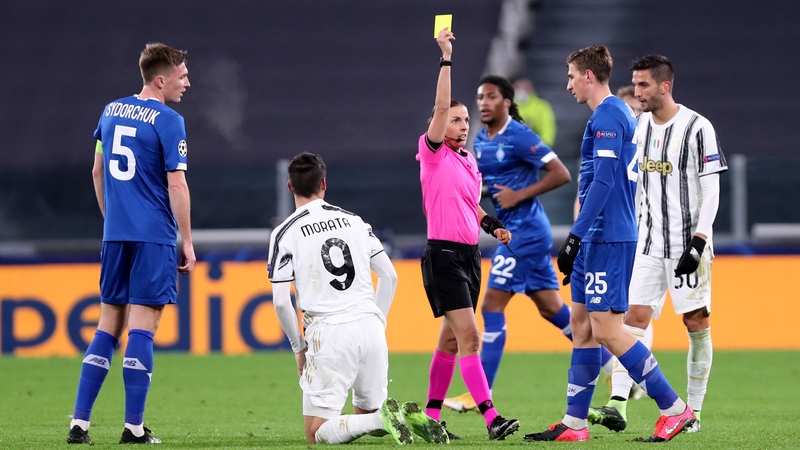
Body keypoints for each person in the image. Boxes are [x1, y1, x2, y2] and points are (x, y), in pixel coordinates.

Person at [523, 45, 696, 443]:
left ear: (588, 76)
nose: (567, 85)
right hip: (596, 236)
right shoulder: (610, 115)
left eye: (570, 76)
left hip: (607, 236)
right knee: (581, 327)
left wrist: (575, 236)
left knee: (607, 329)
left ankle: (674, 408)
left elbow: (603, 182)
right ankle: (574, 423)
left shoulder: (609, 115)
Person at [445, 74, 616, 413]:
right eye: (480, 97)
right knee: (551, 308)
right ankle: (616, 368)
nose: (483, 103)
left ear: (507, 101)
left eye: (491, 96)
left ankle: (480, 395)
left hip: (526, 231)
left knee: (491, 306)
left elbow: (561, 173)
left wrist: (519, 194)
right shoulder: (480, 140)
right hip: (512, 230)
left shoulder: (520, 136)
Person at [66, 42, 196, 445]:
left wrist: (113, 221)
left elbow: (97, 171)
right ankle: (134, 428)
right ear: (161, 79)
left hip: (116, 235)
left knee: (108, 325)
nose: (188, 82)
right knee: (143, 327)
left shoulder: (109, 111)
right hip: (153, 236)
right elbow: (177, 184)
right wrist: (187, 240)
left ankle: (80, 424)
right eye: (182, 75)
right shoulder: (169, 120)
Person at [588, 55, 725, 434]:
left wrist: (699, 239)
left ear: (665, 86)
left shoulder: (698, 127)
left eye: (644, 84)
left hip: (687, 245)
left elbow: (711, 189)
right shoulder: (638, 127)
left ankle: (692, 413)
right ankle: (618, 402)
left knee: (696, 323)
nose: (637, 92)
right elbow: (631, 185)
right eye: (635, 84)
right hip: (648, 242)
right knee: (632, 319)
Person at [268, 152, 444, 445]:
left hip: (330, 331)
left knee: (316, 432)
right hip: (370, 324)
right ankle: (396, 416)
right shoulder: (353, 221)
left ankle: (383, 417)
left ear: (290, 187)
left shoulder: (285, 232)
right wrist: (378, 322)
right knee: (366, 417)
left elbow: (280, 301)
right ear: (324, 183)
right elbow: (390, 276)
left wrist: (299, 348)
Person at [416, 27, 520, 441]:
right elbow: (441, 106)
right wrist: (446, 57)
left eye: (464, 120)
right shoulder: (433, 152)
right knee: (471, 337)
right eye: (454, 119)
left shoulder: (466, 161)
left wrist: (490, 223)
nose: (460, 124)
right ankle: (492, 418)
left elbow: (469, 204)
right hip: (443, 256)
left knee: (449, 344)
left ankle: (428, 417)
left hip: (469, 256)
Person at [513, 78, 557, 147]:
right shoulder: (507, 107)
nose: (521, 91)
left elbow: (548, 130)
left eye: (524, 88)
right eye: (518, 88)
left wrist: (540, 147)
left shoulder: (541, 106)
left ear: (530, 88)